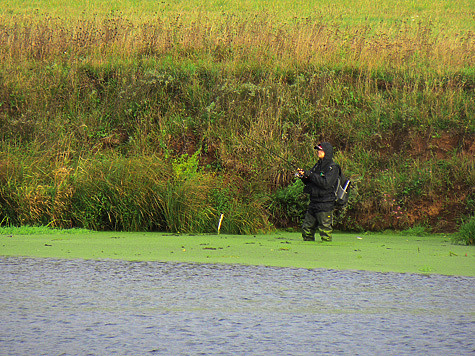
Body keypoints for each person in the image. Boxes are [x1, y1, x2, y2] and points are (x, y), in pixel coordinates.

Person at [296, 142, 339, 242]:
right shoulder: (317, 166)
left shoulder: (333, 167)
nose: (318, 152)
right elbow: (311, 182)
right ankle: (308, 251)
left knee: (325, 231)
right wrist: (304, 176)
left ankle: (327, 251)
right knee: (306, 229)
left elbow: (326, 183)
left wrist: (310, 174)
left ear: (326, 152)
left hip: (325, 203)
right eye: (318, 150)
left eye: (321, 150)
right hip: (314, 202)